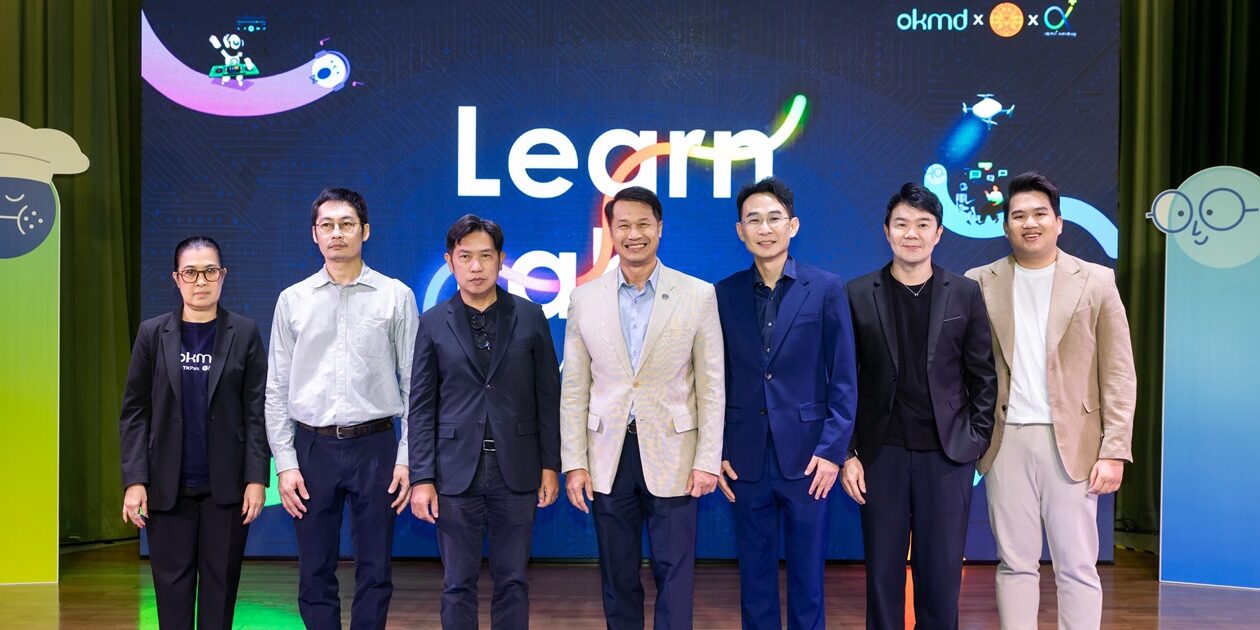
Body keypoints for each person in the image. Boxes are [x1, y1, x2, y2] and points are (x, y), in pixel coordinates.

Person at [965, 172, 1136, 630]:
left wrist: (1114, 449)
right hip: (1005, 442)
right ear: (1005, 226)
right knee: (1014, 563)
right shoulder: (978, 282)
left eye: (1040, 214)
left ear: (1059, 222)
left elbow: (1119, 371)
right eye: (1018, 215)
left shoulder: (1096, 280)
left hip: (1075, 443)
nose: (1030, 223)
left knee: (1077, 565)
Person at [560, 186, 725, 630]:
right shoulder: (584, 298)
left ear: (660, 228)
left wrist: (707, 460)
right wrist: (574, 462)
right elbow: (574, 387)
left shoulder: (697, 294)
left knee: (676, 573)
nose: (634, 234)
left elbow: (712, 385)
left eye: (643, 224)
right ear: (610, 232)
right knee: (617, 573)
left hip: (676, 454)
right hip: (607, 454)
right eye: (624, 226)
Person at [842, 183, 997, 629]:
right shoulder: (858, 293)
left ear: (938, 233)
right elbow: (845, 380)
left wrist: (974, 440)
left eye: (923, 224)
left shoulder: (964, 292)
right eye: (902, 224)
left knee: (942, 573)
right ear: (886, 231)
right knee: (882, 572)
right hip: (881, 454)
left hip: (946, 454)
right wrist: (849, 453)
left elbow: (983, 375)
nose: (912, 233)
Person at [265, 187, 419, 630]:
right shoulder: (293, 300)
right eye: (327, 225)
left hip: (377, 446)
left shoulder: (395, 296)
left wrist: (407, 457)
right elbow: (276, 388)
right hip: (312, 449)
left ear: (365, 231)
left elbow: (415, 386)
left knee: (375, 567)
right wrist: (285, 464)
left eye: (347, 224)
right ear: (314, 234)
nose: (337, 233)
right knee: (314, 567)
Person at [713, 177, 857, 630]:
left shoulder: (826, 287)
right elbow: (714, 381)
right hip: (745, 457)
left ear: (793, 225)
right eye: (754, 220)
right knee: (753, 578)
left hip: (810, 458)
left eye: (774, 218)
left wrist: (832, 451)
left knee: (807, 578)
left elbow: (844, 378)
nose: (765, 228)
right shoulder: (723, 294)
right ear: (740, 230)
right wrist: (717, 450)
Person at [409, 214, 562, 629]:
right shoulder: (432, 322)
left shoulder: (530, 316)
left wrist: (550, 465)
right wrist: (422, 478)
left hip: (518, 468)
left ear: (501, 260)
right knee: (457, 582)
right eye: (465, 257)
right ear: (450, 261)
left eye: (485, 256)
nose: (476, 266)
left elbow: (548, 397)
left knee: (513, 579)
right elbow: (421, 406)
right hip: (454, 471)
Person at [119, 235, 269, 630]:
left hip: (227, 489)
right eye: (190, 272)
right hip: (167, 488)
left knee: (220, 591)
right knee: (172, 593)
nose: (200, 281)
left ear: (223, 275)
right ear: (176, 278)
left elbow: (256, 412)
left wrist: (256, 478)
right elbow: (134, 412)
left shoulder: (244, 333)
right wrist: (135, 481)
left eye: (209, 271)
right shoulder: (152, 334)